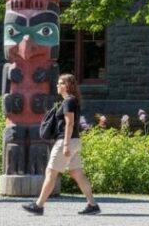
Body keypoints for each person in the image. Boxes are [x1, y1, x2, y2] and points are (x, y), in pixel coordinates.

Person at [22, 74, 101, 216]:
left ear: (67, 86)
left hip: (66, 141)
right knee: (77, 173)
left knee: (50, 172)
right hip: (74, 141)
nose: (57, 85)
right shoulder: (71, 101)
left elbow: (70, 123)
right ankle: (92, 204)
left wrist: (65, 145)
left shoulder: (68, 102)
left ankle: (39, 205)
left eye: (60, 83)